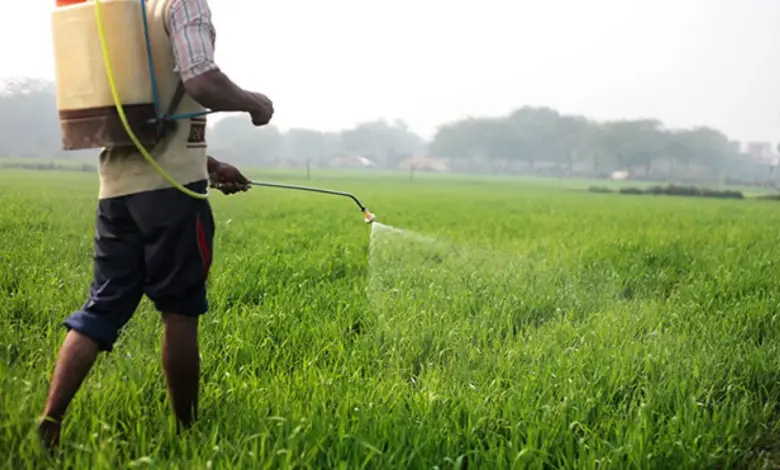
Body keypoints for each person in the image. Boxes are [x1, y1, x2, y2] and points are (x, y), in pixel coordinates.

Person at [37, 0, 273, 450]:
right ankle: (187, 433)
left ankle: (51, 417)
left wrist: (210, 163)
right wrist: (254, 105)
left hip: (117, 190)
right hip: (172, 196)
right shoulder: (182, 3)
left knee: (102, 307)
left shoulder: (115, 11)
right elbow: (202, 80)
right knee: (181, 310)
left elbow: (144, 114)